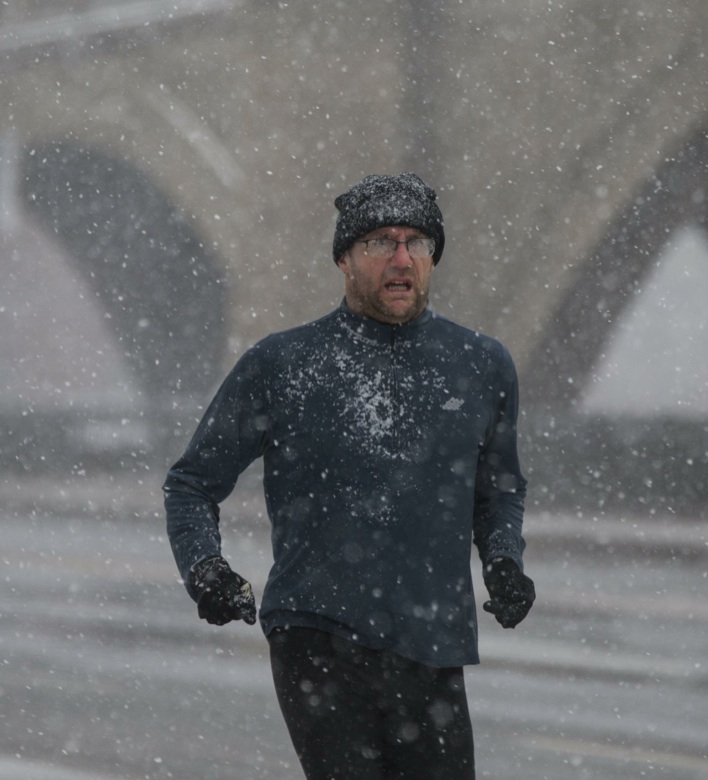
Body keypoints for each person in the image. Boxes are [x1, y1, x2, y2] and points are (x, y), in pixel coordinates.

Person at [163, 171, 535, 779]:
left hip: (432, 644)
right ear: (344, 258)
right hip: (318, 639)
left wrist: (504, 561)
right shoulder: (282, 364)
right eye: (379, 242)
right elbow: (191, 484)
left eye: (416, 241)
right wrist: (205, 570)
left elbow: (499, 494)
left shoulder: (481, 364)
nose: (400, 257)